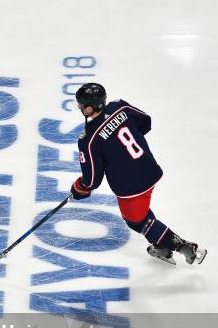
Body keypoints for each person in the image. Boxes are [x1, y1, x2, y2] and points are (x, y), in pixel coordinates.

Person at [70, 83, 207, 265]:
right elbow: (145, 121)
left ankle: (185, 247)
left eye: (81, 106)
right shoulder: (119, 107)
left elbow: (93, 180)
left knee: (136, 220)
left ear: (88, 108)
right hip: (148, 168)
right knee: (142, 213)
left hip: (130, 186)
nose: (80, 108)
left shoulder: (88, 140)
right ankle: (161, 247)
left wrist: (80, 188)